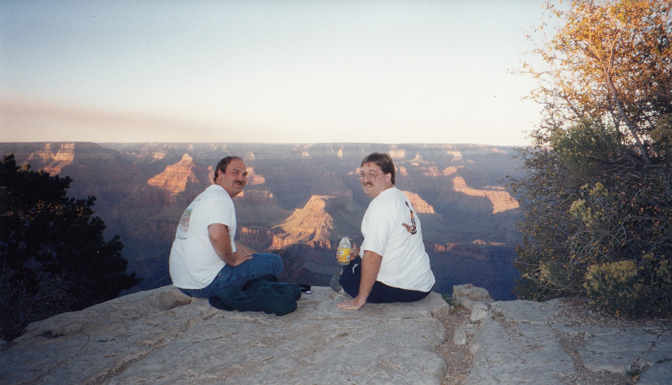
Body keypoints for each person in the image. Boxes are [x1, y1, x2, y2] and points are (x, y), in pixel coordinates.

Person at [169, 156, 283, 298]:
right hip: (207, 284)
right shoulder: (220, 198)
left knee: (262, 260)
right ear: (219, 174)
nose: (241, 178)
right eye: (235, 172)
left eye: (244, 175)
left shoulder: (206, 196)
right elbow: (217, 235)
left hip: (184, 282)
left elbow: (226, 240)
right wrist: (232, 260)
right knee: (275, 262)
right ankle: (251, 295)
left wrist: (256, 257)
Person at [335, 152, 435, 310]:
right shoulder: (399, 196)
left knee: (347, 273)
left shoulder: (380, 208)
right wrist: (359, 251)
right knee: (357, 258)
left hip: (401, 288)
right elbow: (389, 239)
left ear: (388, 177)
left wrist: (360, 299)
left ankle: (345, 283)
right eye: (362, 174)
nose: (365, 180)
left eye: (372, 175)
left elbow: (373, 255)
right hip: (422, 284)